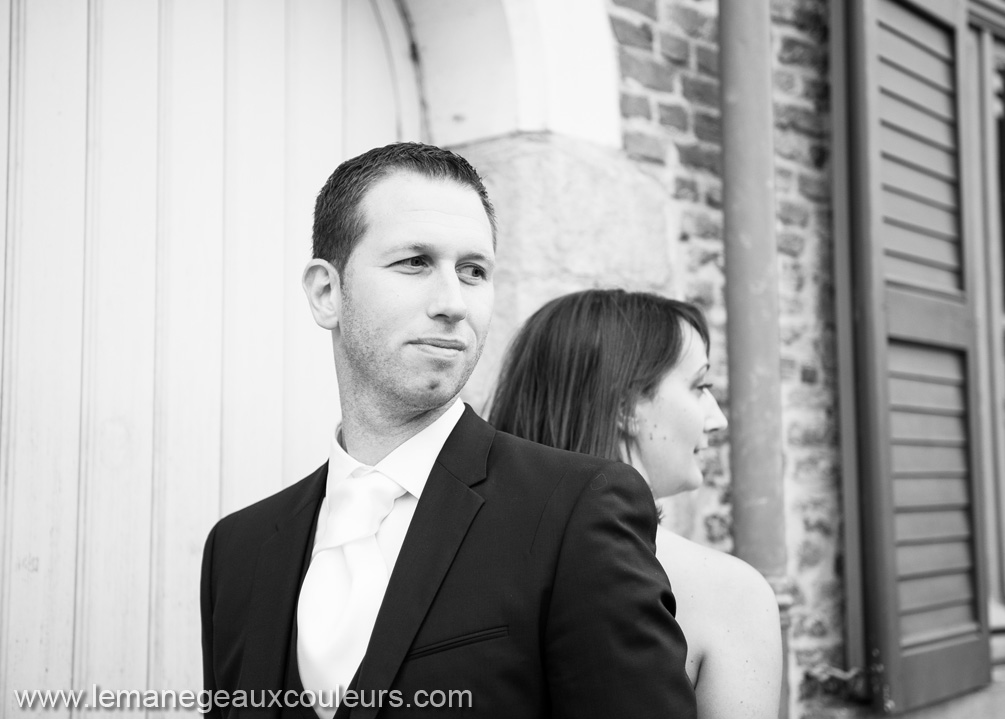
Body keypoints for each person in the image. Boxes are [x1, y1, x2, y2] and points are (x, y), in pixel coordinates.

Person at [200, 143, 696, 719]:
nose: (453, 303)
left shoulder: (576, 511)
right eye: (414, 262)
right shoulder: (237, 551)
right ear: (326, 292)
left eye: (473, 271)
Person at [489, 289, 783, 719]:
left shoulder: (454, 554)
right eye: (700, 386)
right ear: (626, 407)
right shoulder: (731, 594)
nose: (717, 418)